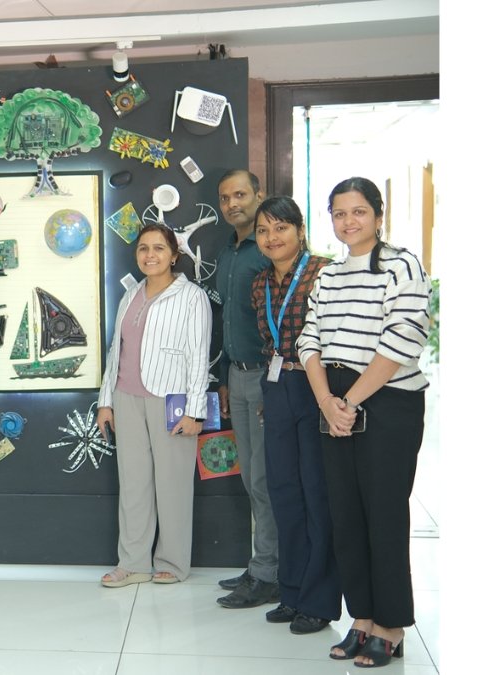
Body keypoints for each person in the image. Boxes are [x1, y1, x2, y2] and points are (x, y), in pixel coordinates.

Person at [298, 177, 430, 668]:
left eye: (358, 211)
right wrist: (327, 402)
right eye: (339, 213)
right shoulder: (329, 274)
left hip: (387, 402)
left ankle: (391, 624)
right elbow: (309, 339)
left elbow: (402, 340)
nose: (348, 221)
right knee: (346, 516)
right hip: (334, 401)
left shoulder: (401, 265)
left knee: (384, 515)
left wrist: (348, 402)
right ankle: (363, 617)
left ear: (378, 214)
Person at [96, 224, 211, 587]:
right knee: (133, 485)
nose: (150, 255)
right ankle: (132, 563)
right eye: (143, 248)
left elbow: (198, 356)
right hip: (127, 398)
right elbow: (116, 351)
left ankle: (173, 563)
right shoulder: (130, 294)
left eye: (159, 248)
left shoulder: (192, 296)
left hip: (171, 400)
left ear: (174, 255)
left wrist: (195, 411)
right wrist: (105, 402)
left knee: (173, 485)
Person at [248, 196, 340, 635]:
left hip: (316, 387)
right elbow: (268, 341)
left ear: (300, 230)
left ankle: (318, 602)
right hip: (277, 387)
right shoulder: (259, 282)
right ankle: (292, 591)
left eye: (280, 227)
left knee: (317, 492)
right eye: (263, 230)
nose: (272, 238)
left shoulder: (325, 272)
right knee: (283, 491)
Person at [214, 170, 280, 609]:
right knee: (249, 478)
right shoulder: (228, 253)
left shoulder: (269, 250)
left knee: (264, 479)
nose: (232, 203)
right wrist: (223, 379)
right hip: (236, 376)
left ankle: (269, 573)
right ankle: (262, 564)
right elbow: (228, 322)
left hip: (265, 377)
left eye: (240, 194)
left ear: (259, 195)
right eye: (225, 198)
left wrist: (274, 387)